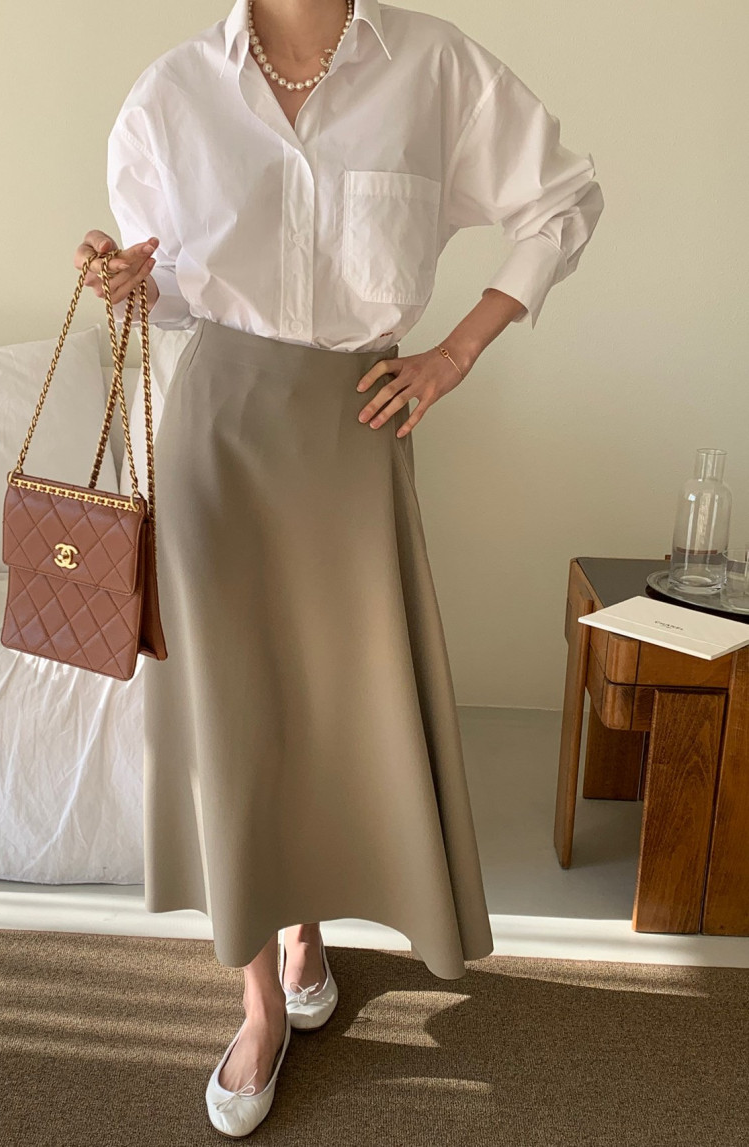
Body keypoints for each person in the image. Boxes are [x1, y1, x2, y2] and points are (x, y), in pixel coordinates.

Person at [75, 0, 604, 1136]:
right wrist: (125, 281)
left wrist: (455, 352)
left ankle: (309, 926)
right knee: (237, 715)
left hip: (353, 430)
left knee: (336, 702)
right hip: (217, 434)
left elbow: (562, 199)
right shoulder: (171, 92)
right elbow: (170, 285)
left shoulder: (434, 67)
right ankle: (259, 1000)